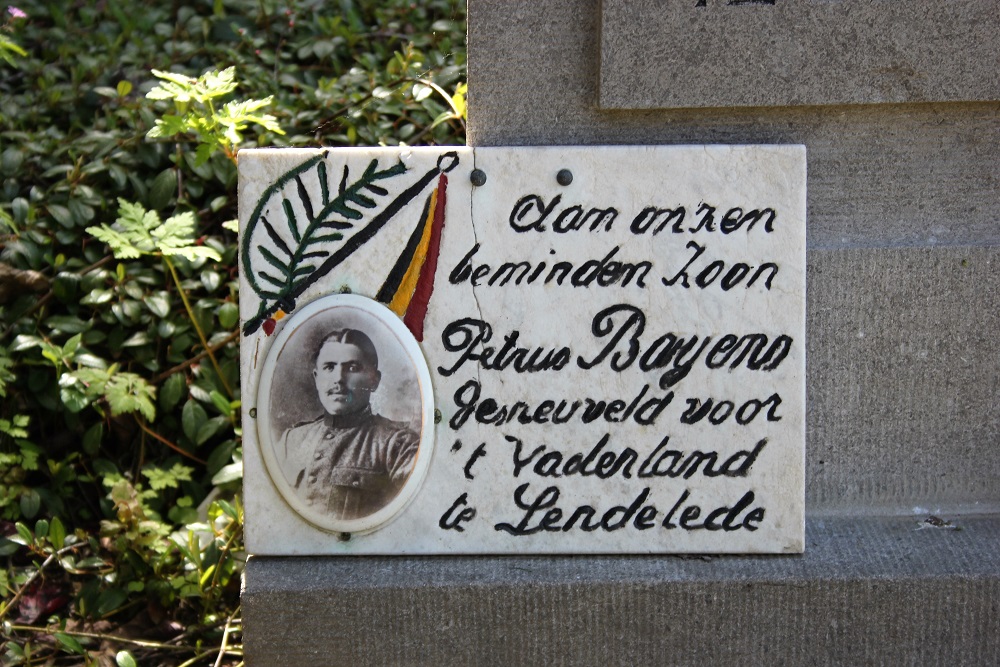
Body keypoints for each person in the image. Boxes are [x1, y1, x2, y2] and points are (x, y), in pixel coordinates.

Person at [277, 328, 419, 520]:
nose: (338, 379)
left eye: (352, 368)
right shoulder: (290, 440)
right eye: (329, 367)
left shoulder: (397, 445)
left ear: (374, 381)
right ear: (317, 378)